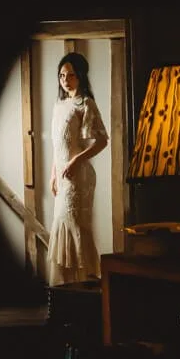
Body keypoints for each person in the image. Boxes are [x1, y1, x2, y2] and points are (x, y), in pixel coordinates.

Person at [47, 52, 109, 287]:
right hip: (62, 177)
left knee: (76, 223)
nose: (65, 79)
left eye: (70, 75)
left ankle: (85, 283)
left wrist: (75, 162)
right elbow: (57, 145)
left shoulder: (85, 104)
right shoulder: (59, 105)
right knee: (61, 222)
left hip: (79, 176)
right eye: (62, 75)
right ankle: (66, 286)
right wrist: (54, 173)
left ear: (80, 76)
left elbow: (102, 141)